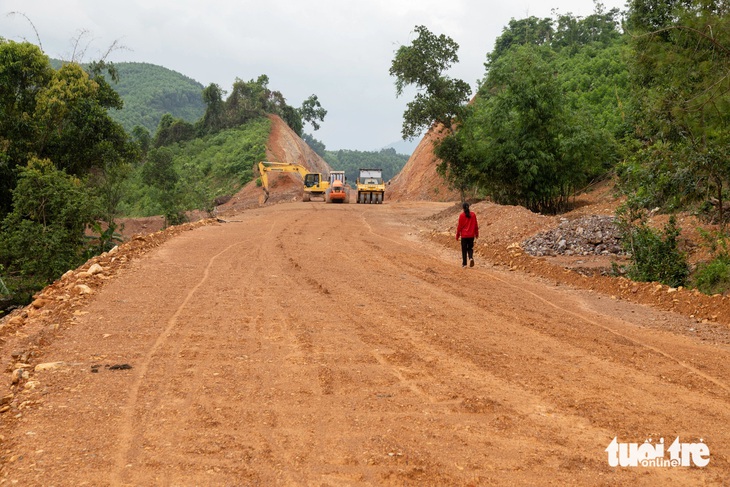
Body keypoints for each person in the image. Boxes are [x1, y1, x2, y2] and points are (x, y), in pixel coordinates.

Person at [456, 202, 479, 268]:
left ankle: (464, 264)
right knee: (470, 248)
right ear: (468, 207)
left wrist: (457, 235)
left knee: (464, 250)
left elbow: (459, 227)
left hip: (464, 236)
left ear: (463, 208)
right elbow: (475, 225)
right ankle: (471, 258)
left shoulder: (461, 216)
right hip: (471, 235)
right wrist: (476, 233)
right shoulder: (473, 215)